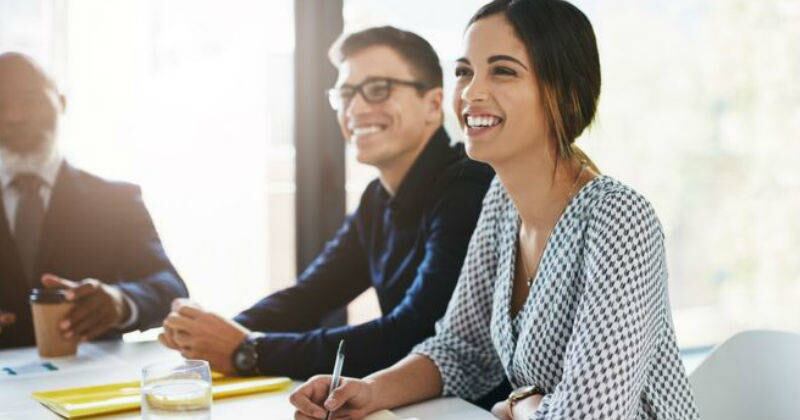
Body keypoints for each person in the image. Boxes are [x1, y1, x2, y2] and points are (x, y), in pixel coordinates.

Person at [288, 1, 700, 419]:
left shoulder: (619, 219)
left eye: (502, 71)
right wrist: (371, 391)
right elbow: (460, 350)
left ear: (565, 93)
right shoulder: (501, 203)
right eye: (465, 71)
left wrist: (519, 404)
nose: (471, 93)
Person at [158, 27, 494, 381]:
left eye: (378, 90)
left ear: (433, 104)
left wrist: (249, 351)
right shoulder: (378, 198)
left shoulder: (466, 190)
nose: (357, 108)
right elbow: (310, 296)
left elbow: (413, 334)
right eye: (346, 94)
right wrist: (211, 334)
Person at [0, 52, 188, 349]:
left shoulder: (116, 201)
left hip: (91, 385)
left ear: (61, 102)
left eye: (29, 99)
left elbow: (171, 289)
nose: (14, 116)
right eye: (1, 104)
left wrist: (120, 302)